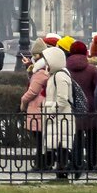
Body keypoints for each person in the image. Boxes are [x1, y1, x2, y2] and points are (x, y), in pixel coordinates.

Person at [40, 46, 76, 179]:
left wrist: (50, 114)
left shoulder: (60, 76)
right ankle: (63, 169)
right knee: (58, 145)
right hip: (58, 117)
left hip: (60, 118)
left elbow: (62, 99)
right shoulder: (57, 74)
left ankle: (66, 170)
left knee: (61, 145)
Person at [66, 39, 97, 172]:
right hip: (90, 108)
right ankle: (92, 163)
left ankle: (77, 162)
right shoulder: (91, 70)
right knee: (92, 137)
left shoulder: (66, 69)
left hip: (72, 107)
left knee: (76, 136)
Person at [19, 39, 49, 171]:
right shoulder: (44, 68)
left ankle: (41, 164)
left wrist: (22, 101)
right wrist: (29, 67)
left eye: (34, 55)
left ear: (38, 55)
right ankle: (44, 163)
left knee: (39, 141)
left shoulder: (40, 72)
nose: (32, 57)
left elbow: (32, 91)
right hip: (41, 108)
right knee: (42, 140)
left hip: (37, 109)